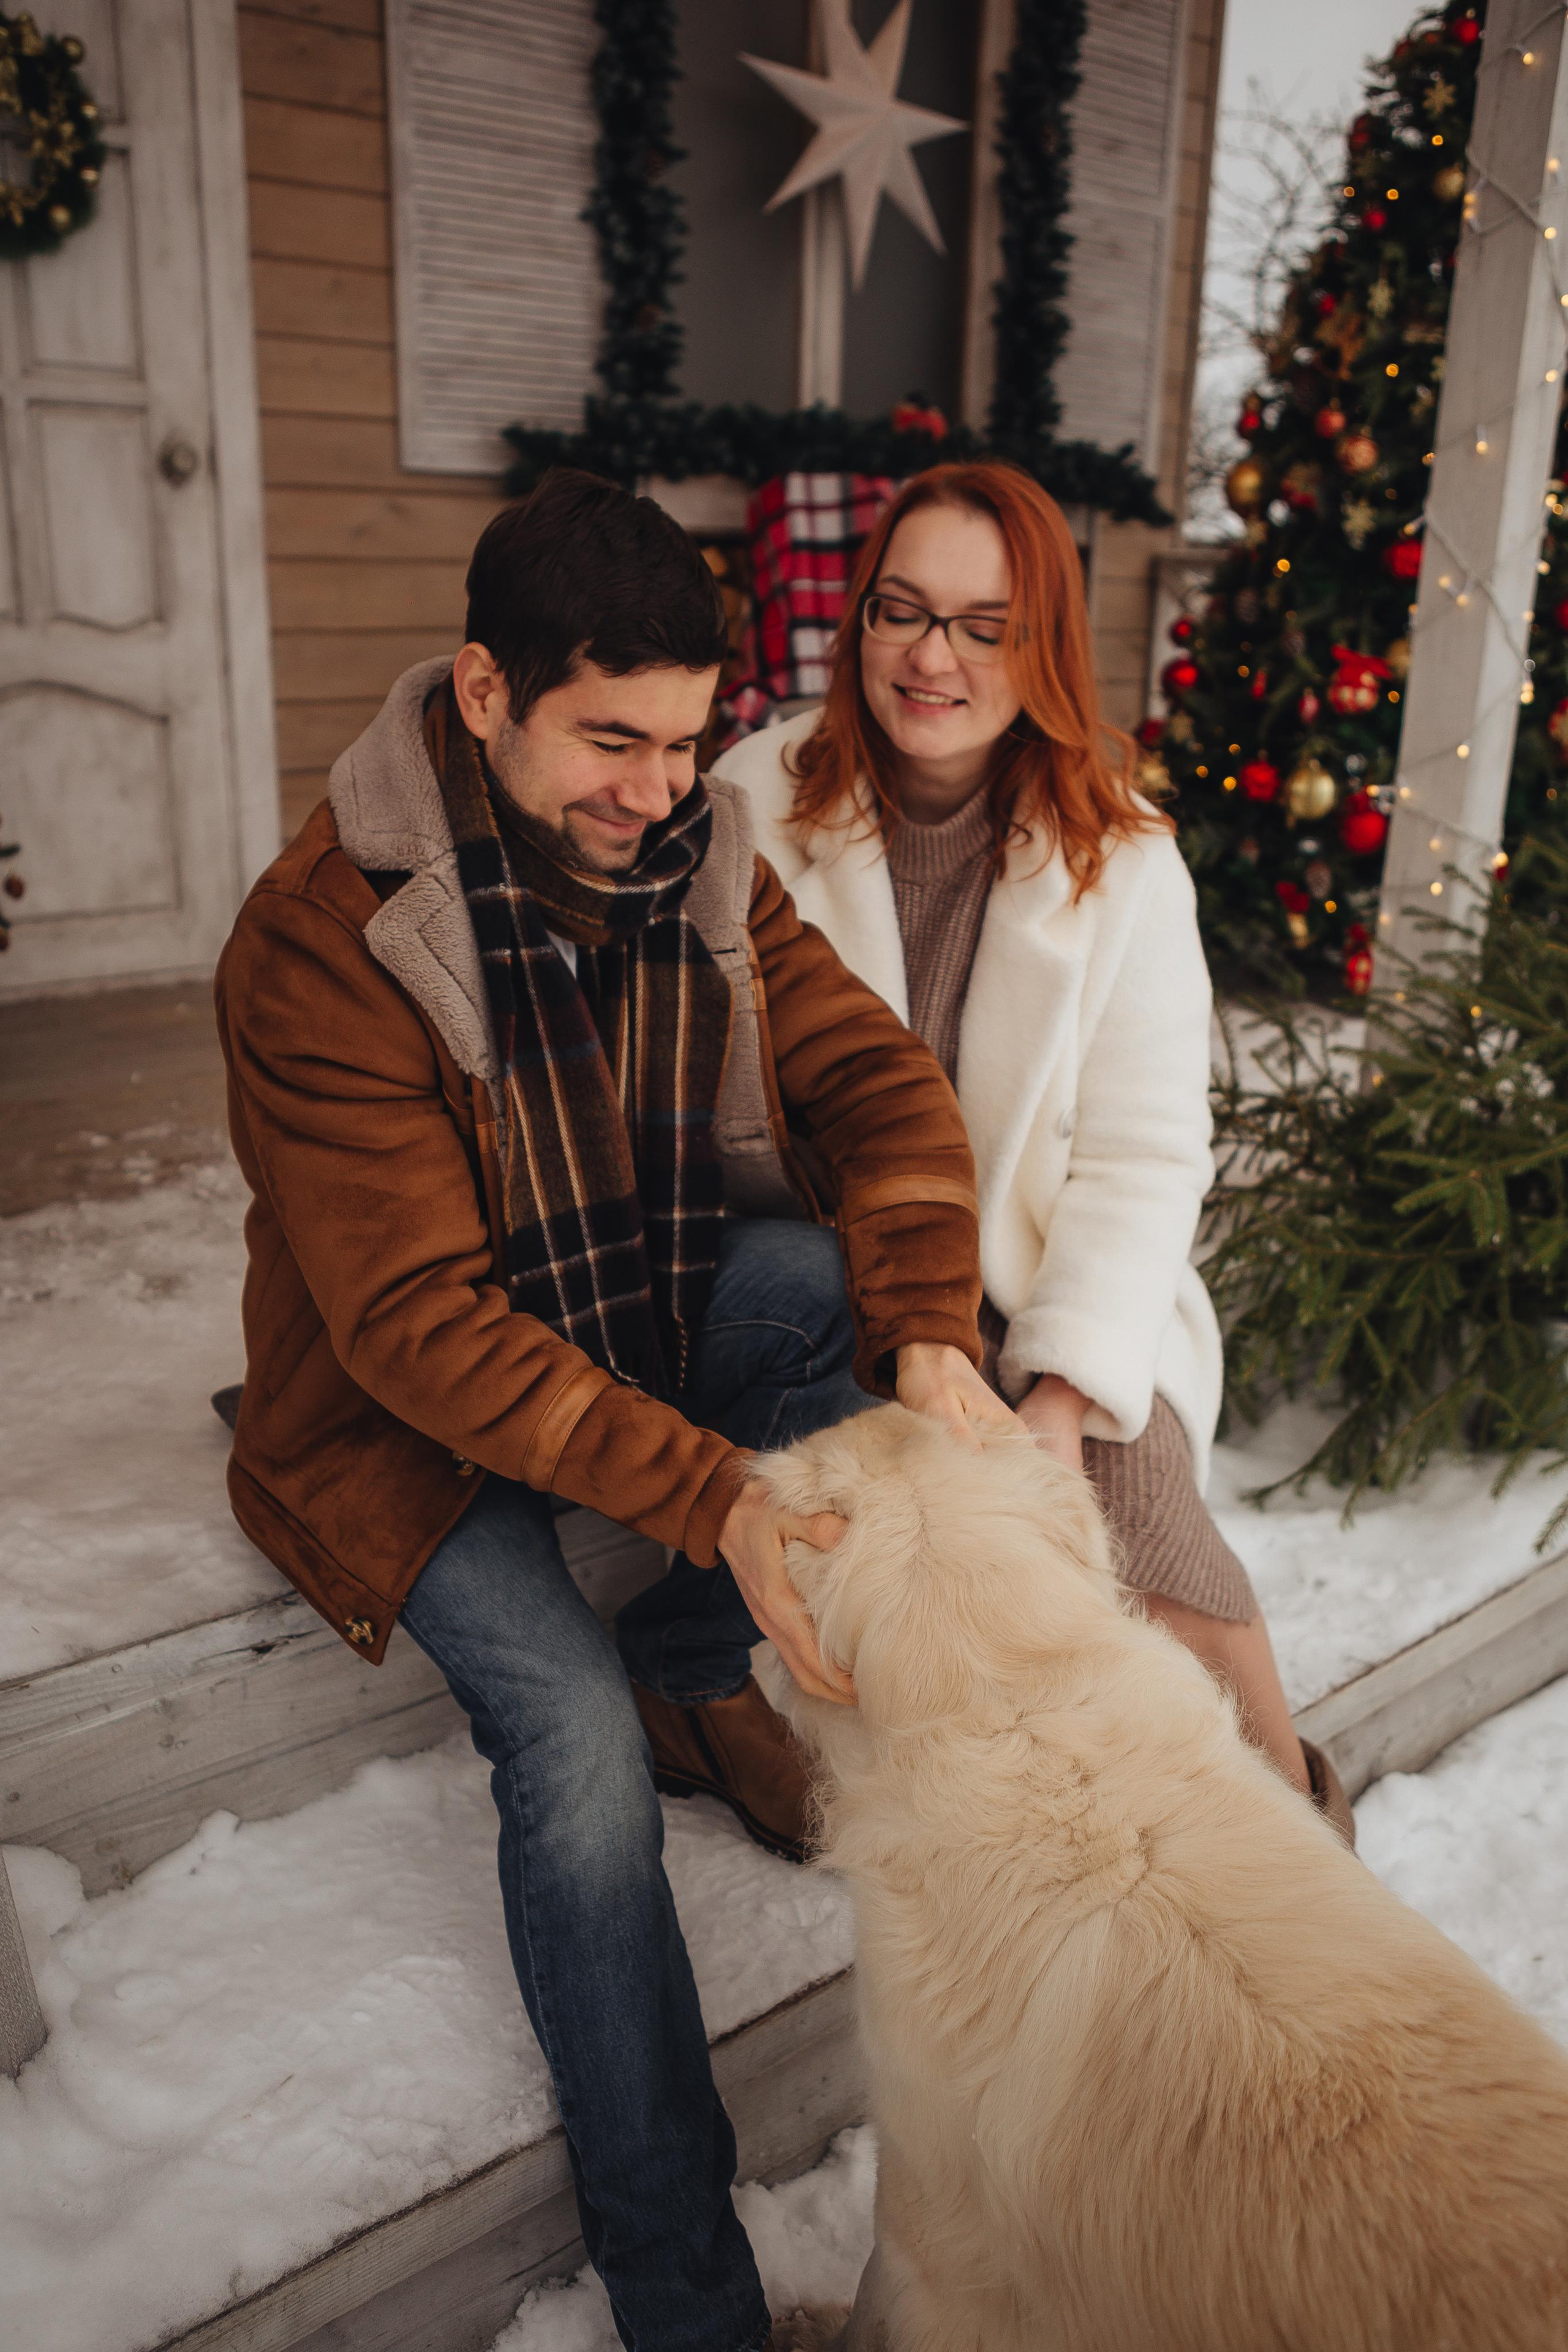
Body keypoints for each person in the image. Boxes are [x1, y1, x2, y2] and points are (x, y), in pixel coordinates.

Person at [214, 469, 1014, 2352]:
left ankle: (688, 1654)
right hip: (400, 1422)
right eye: (607, 740)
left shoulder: (698, 860)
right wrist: (719, 1492)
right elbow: (420, 1327)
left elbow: (885, 1095)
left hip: (619, 1323)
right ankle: (688, 2296)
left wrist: (934, 1340)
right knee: (567, 1754)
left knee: (829, 1290)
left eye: (685, 741)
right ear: (483, 695)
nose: (655, 791)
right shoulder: (322, 939)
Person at [714, 459, 1355, 1844]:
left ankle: (1301, 1832)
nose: (929, 657)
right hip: (843, 1262)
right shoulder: (752, 799)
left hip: (1043, 1276)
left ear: (1039, 647)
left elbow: (1143, 1154)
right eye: (900, 611)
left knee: (1126, 1482)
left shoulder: (1121, 857)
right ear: (859, 622)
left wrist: (1060, 1387)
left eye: (980, 626)